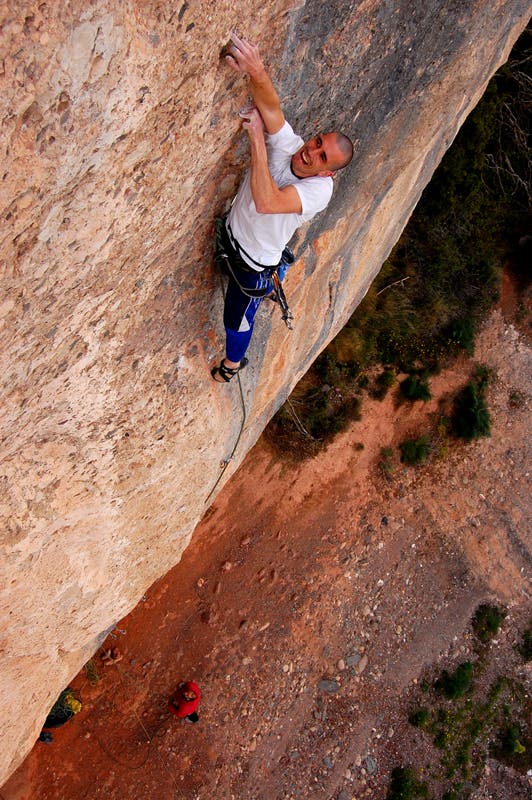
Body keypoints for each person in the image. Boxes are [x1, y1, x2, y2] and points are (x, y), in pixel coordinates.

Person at [211, 33, 353, 383]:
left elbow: (268, 201)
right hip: (232, 236)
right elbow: (272, 108)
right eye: (318, 142)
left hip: (252, 263)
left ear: (327, 171)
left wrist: (257, 140)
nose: (311, 152)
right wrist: (256, 70)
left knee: (237, 321)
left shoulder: (319, 190)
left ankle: (232, 367)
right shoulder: (290, 146)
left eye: (322, 157)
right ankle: (277, 277)